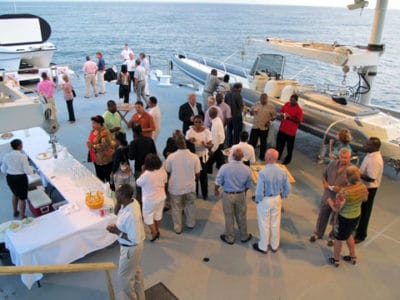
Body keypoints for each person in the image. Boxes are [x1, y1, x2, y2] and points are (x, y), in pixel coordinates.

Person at [106, 184, 145, 300]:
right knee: (136, 273)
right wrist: (118, 201)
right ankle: (141, 297)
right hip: (131, 248)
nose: (115, 194)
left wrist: (117, 232)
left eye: (117, 193)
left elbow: (135, 238)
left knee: (124, 278)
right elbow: (116, 212)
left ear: (123, 196)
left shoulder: (131, 215)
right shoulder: (132, 202)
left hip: (131, 248)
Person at [309, 148, 353, 246]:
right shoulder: (332, 164)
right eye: (342, 157)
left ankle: (333, 237)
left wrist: (340, 189)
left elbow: (352, 186)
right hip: (328, 195)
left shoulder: (352, 170)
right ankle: (318, 233)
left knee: (336, 219)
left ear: (350, 158)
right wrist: (325, 183)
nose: (343, 160)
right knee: (322, 215)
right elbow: (324, 175)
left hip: (339, 198)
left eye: (346, 158)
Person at [327, 166, 368, 267]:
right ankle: (352, 256)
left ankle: (336, 259)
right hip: (356, 216)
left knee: (338, 239)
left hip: (344, 219)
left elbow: (336, 209)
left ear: (346, 177)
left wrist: (329, 201)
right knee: (349, 235)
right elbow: (365, 199)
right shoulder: (363, 187)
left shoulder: (344, 193)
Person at [253, 149, 291, 254]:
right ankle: (275, 245)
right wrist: (282, 196)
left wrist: (257, 200)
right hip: (277, 198)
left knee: (264, 223)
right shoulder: (282, 171)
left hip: (265, 200)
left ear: (268, 158)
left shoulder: (263, 172)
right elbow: (288, 188)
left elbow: (259, 190)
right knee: (275, 223)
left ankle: (263, 246)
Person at [215, 148, 253, 245]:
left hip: (228, 195)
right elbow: (248, 185)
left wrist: (216, 189)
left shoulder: (224, 167)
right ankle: (244, 236)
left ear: (232, 156)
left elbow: (218, 181)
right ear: (242, 158)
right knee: (241, 216)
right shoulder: (247, 169)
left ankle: (230, 238)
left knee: (229, 217)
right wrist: (243, 192)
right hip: (240, 194)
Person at [165, 136, 201, 234]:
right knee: (190, 205)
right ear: (185, 143)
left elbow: (167, 172)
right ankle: (190, 223)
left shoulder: (171, 157)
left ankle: (178, 228)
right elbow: (198, 174)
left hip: (175, 187)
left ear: (176, 145)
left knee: (176, 208)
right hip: (190, 187)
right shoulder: (194, 157)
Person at [354, 137, 384, 243]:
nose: (365, 146)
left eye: (368, 144)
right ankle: (356, 229)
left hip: (369, 189)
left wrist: (357, 173)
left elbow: (371, 178)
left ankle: (361, 235)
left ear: (374, 147)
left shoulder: (375, 160)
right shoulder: (370, 154)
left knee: (365, 213)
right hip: (363, 186)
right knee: (359, 210)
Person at [136, 154, 167, 242]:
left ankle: (154, 232)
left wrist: (142, 171)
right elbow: (165, 181)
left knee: (147, 216)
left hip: (149, 200)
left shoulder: (146, 174)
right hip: (161, 197)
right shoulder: (162, 171)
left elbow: (138, 182)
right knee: (158, 214)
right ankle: (157, 229)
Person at [1, 139, 34, 219]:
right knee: (22, 198)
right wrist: (32, 171)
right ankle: (22, 216)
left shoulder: (6, 155)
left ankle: (15, 211)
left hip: (10, 178)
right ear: (19, 146)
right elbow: (27, 171)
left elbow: (3, 170)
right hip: (20, 178)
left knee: (15, 194)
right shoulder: (22, 156)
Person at [185, 115, 212, 200]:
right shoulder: (189, 132)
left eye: (199, 122)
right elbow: (185, 144)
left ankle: (205, 194)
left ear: (202, 122)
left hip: (202, 156)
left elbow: (210, 145)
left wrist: (206, 145)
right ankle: (195, 193)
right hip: (193, 157)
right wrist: (190, 141)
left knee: (203, 176)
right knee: (194, 177)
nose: (197, 124)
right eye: (196, 122)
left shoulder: (207, 132)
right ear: (193, 122)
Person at [128, 125, 157, 203]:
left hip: (139, 168)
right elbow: (155, 153)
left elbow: (131, 157)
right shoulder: (150, 140)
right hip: (150, 168)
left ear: (134, 133)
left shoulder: (133, 143)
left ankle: (140, 208)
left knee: (139, 189)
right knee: (150, 187)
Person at [276, 94, 303, 165]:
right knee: (279, 144)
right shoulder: (287, 104)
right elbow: (282, 110)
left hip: (290, 132)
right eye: (290, 100)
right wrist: (282, 114)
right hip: (282, 128)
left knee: (289, 147)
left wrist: (290, 117)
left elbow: (299, 121)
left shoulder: (299, 110)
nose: (291, 102)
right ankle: (278, 155)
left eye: (293, 101)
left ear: (296, 101)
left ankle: (288, 159)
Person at [249, 93, 277, 161]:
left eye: (264, 99)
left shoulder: (271, 106)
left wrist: (269, 122)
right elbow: (250, 113)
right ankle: (250, 155)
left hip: (264, 128)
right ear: (260, 98)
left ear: (267, 99)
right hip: (255, 126)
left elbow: (274, 116)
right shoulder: (256, 104)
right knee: (252, 142)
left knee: (263, 143)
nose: (263, 100)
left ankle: (262, 156)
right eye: (262, 99)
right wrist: (252, 111)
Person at [86, 115, 114, 182]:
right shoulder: (93, 131)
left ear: (99, 124)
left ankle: (111, 191)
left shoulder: (105, 133)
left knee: (108, 177)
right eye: (92, 123)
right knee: (99, 176)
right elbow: (91, 140)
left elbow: (105, 145)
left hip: (104, 159)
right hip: (95, 157)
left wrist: (93, 146)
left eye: (94, 123)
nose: (92, 124)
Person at [207, 107, 225, 173]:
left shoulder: (215, 125)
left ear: (209, 115)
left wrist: (212, 150)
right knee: (217, 160)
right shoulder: (218, 120)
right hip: (220, 143)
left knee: (214, 160)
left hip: (217, 145)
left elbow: (215, 139)